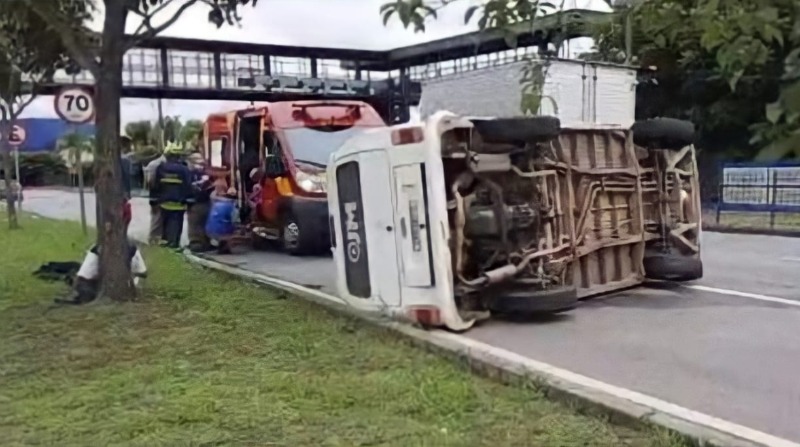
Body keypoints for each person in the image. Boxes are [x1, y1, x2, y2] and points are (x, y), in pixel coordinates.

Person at [57, 210, 147, 304]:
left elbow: (143, 273)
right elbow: (84, 276)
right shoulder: (100, 249)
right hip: (91, 284)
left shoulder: (128, 248)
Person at [150, 142, 194, 248]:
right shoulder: (184, 169)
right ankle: (173, 245)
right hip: (179, 206)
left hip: (164, 204)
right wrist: (190, 202)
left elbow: (155, 186)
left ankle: (166, 247)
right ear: (179, 155)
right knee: (175, 229)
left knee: (165, 229)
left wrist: (153, 201)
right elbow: (189, 187)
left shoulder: (160, 168)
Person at [186, 152, 214, 253]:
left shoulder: (189, 173)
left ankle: (196, 243)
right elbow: (211, 187)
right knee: (204, 222)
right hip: (205, 201)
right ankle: (205, 243)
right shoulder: (206, 173)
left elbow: (187, 187)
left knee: (194, 224)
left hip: (194, 202)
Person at [205, 186, 240, 254]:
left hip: (209, 230)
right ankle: (225, 246)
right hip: (221, 231)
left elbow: (212, 196)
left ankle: (221, 244)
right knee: (234, 229)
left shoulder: (216, 203)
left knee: (222, 223)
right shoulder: (233, 208)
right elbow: (235, 221)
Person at [144, 152, 167, 244]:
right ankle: (153, 239)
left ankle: (154, 238)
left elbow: (148, 181)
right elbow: (150, 181)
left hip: (154, 195)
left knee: (156, 217)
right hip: (158, 194)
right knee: (157, 218)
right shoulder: (158, 164)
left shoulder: (153, 164)